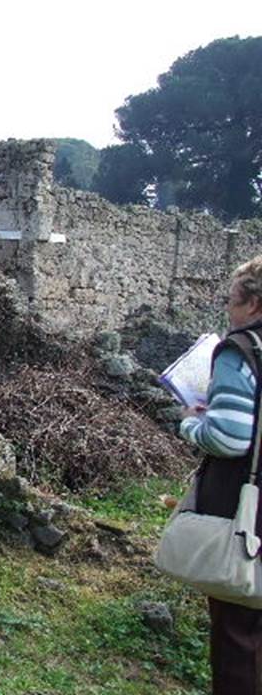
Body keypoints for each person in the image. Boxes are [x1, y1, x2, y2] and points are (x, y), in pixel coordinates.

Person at [180, 256, 262, 694]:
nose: (228, 309)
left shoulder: (241, 350)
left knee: (238, 632)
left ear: (253, 304)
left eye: (232, 300)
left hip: (248, 510)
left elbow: (229, 438)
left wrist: (191, 423)